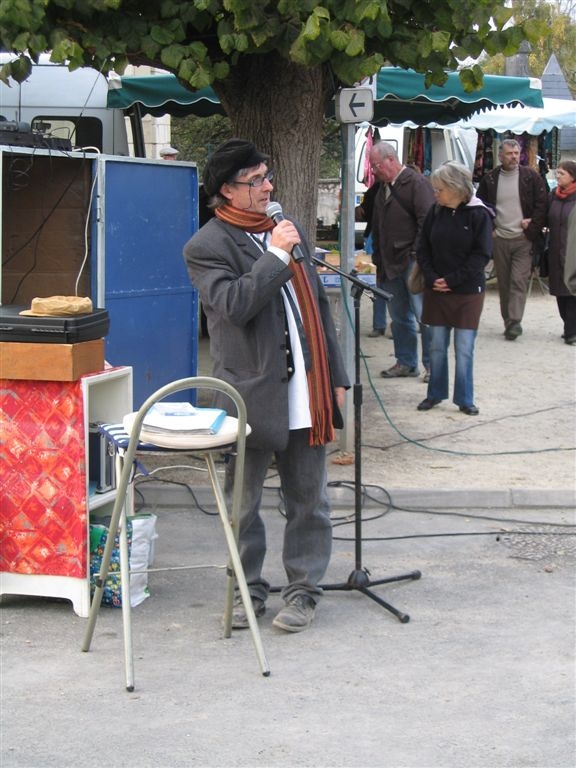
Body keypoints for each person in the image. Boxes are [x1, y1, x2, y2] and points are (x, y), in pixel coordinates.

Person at [182, 139, 349, 633]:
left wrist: (335, 377)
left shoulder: (285, 231)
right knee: (243, 503)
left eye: (266, 176)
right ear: (226, 192)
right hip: (251, 394)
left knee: (309, 500)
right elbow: (232, 306)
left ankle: (302, 592)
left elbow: (318, 308)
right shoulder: (206, 246)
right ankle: (247, 589)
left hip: (308, 391)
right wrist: (275, 257)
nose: (267, 186)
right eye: (255, 180)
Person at [416, 162, 494, 416]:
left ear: (455, 188)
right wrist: (432, 276)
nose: (436, 194)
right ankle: (435, 393)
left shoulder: (478, 214)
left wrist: (452, 280)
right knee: (436, 345)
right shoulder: (435, 211)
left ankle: (465, 398)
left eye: (440, 189)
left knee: (464, 348)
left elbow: (481, 255)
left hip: (467, 291)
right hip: (436, 290)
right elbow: (423, 247)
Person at [369, 141, 435, 380]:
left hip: (411, 261)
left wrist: (417, 256)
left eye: (376, 165)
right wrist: (377, 258)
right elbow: (378, 227)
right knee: (398, 317)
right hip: (389, 263)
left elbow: (427, 223)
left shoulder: (416, 184)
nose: (374, 170)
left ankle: (432, 366)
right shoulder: (382, 188)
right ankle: (406, 362)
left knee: (423, 316)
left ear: (390, 160)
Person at [476, 138, 547, 340]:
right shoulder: (490, 179)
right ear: (500, 155)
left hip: (523, 239)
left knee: (518, 280)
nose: (514, 157)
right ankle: (508, 320)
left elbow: (542, 203)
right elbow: (480, 207)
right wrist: (490, 229)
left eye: (517, 153)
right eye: (510, 153)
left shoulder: (530, 177)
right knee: (505, 283)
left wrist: (532, 225)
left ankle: (515, 321)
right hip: (500, 239)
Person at [546, 160, 576, 345]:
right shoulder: (553, 196)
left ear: (572, 176)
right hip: (556, 250)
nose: (557, 176)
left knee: (572, 292)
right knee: (559, 291)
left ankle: (571, 331)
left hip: (573, 252)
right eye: (557, 173)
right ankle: (569, 326)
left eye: (562, 173)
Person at [355, 180, 389, 337]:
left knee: (386, 287)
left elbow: (364, 212)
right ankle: (380, 324)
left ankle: (382, 324)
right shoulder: (378, 188)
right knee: (379, 285)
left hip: (390, 247)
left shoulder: (384, 189)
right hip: (378, 241)